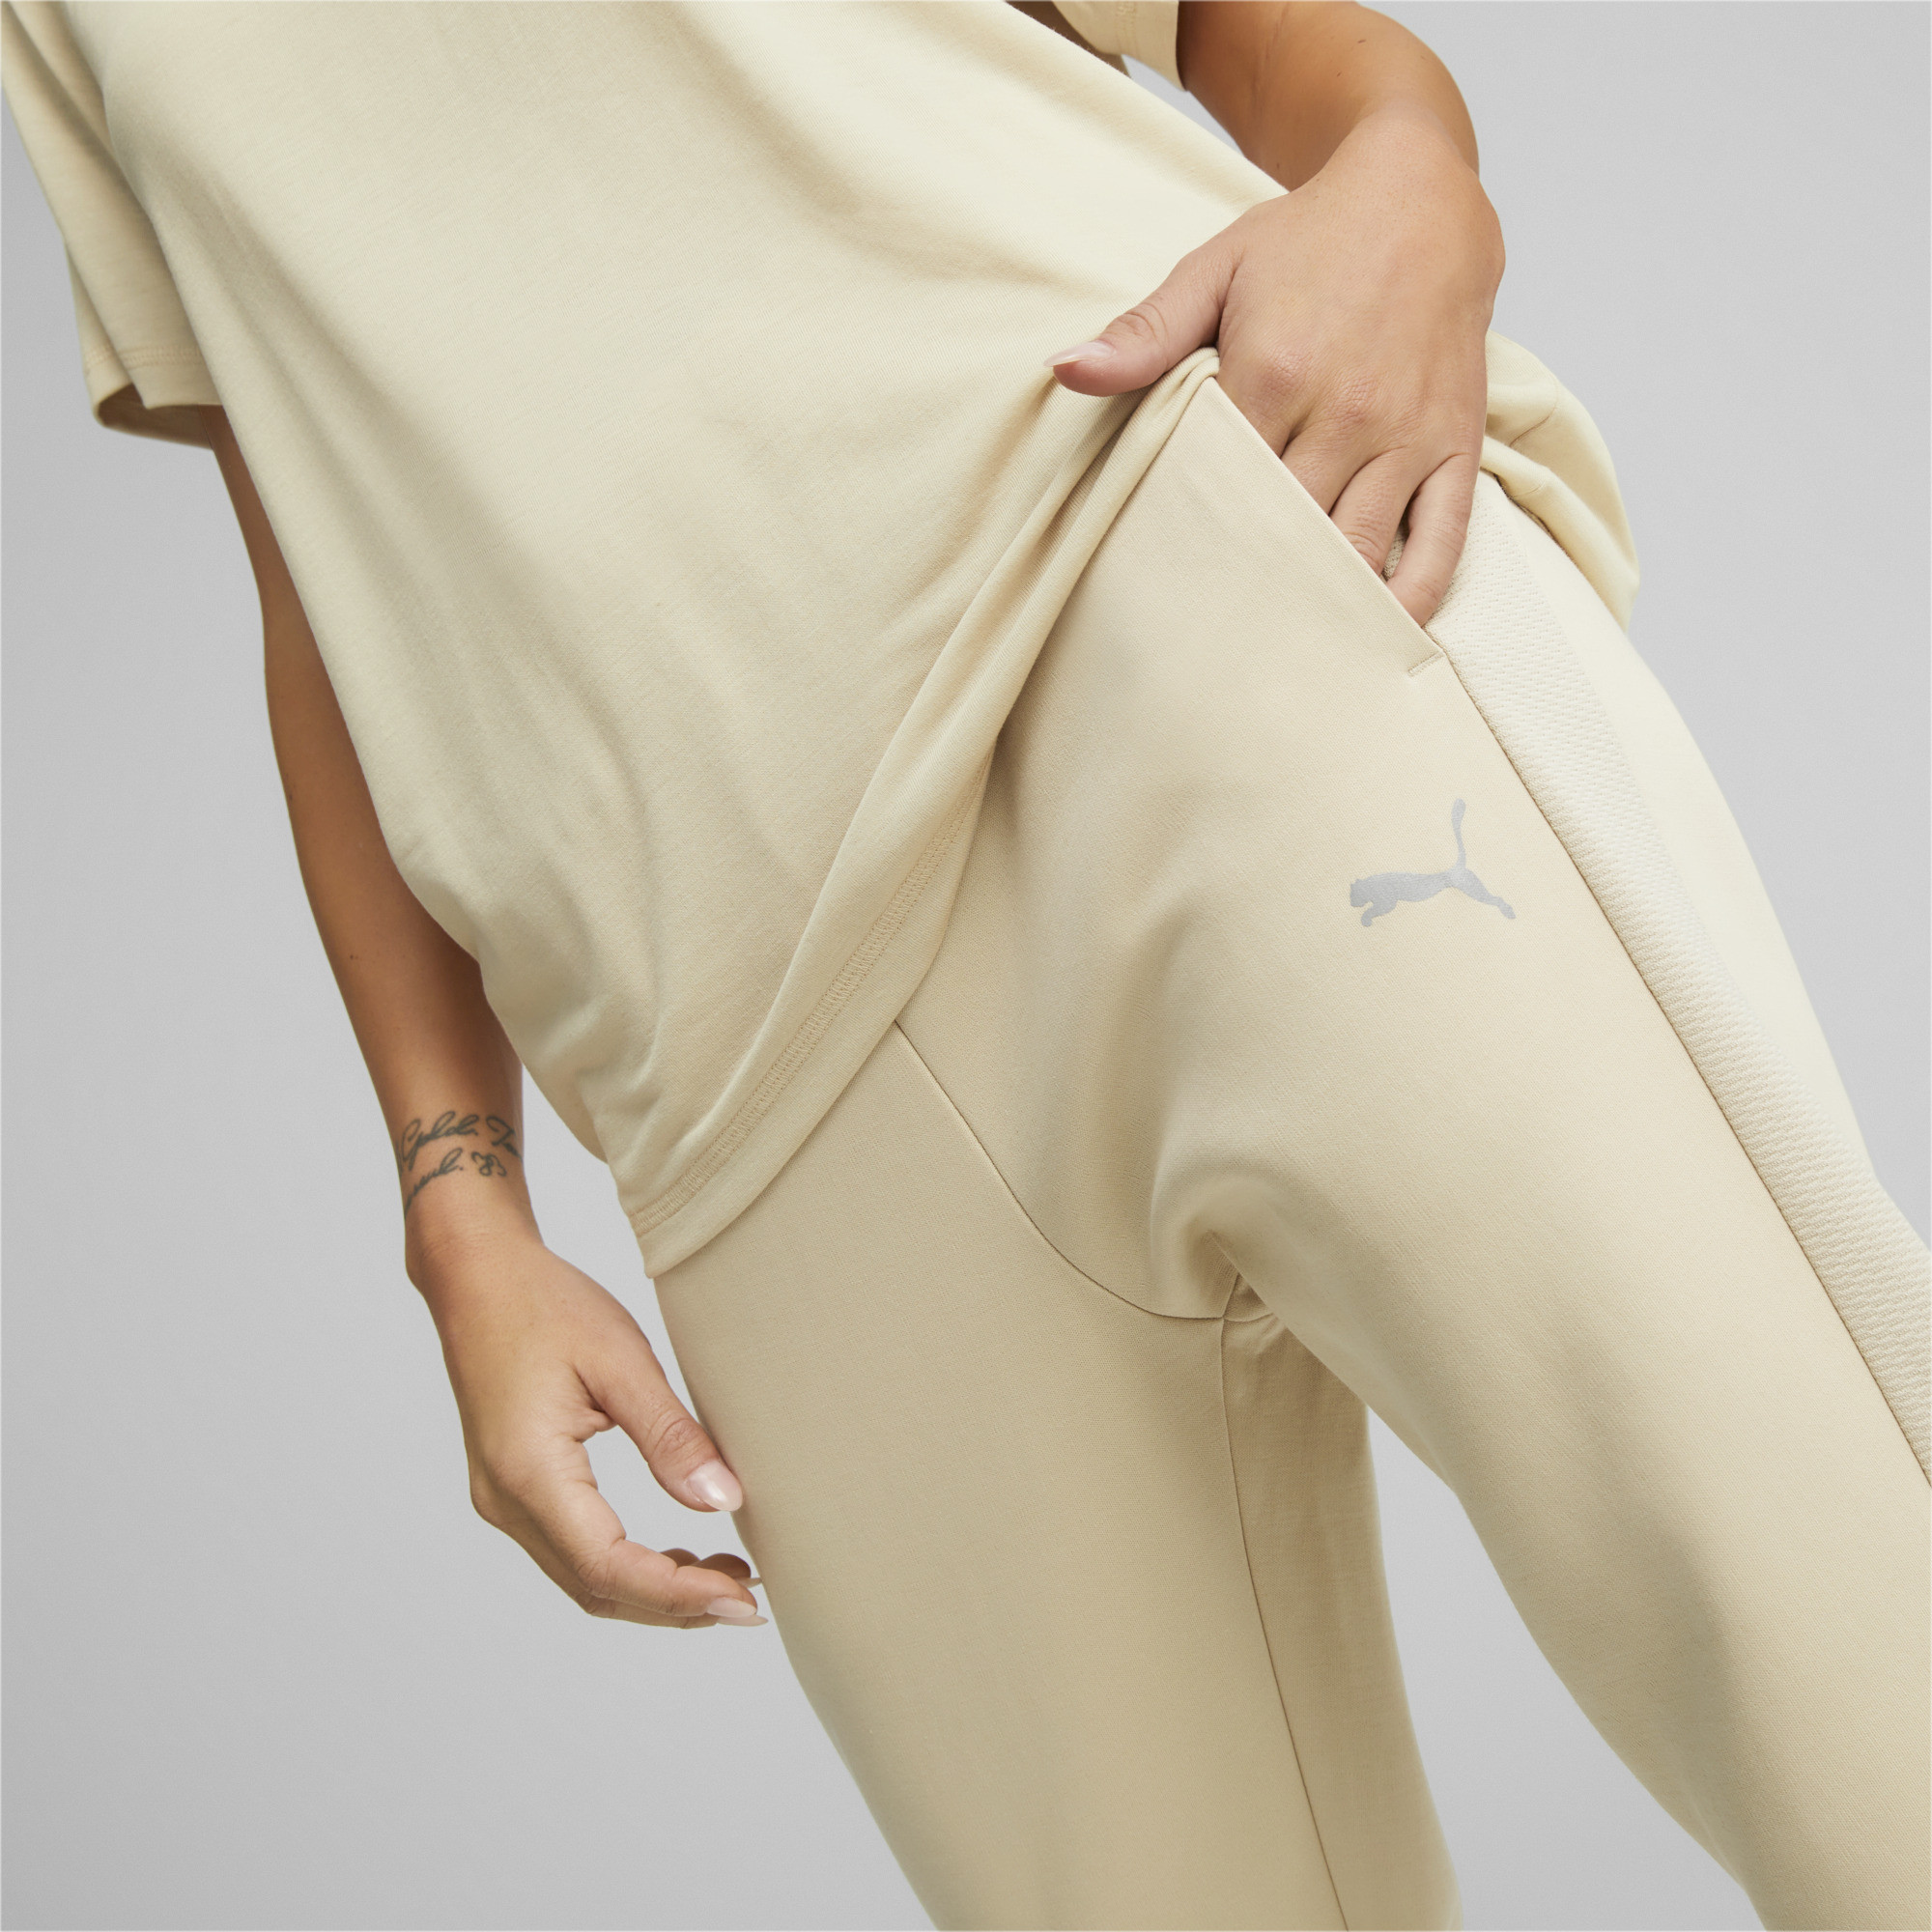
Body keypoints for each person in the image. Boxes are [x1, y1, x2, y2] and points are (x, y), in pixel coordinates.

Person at [5, 3, 1925, 1927]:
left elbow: (1230, 22)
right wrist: (460, 1210)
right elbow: (315, 529)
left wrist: (1414, 175)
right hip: (756, 1116)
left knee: (1870, 1714)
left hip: (1165, 613)